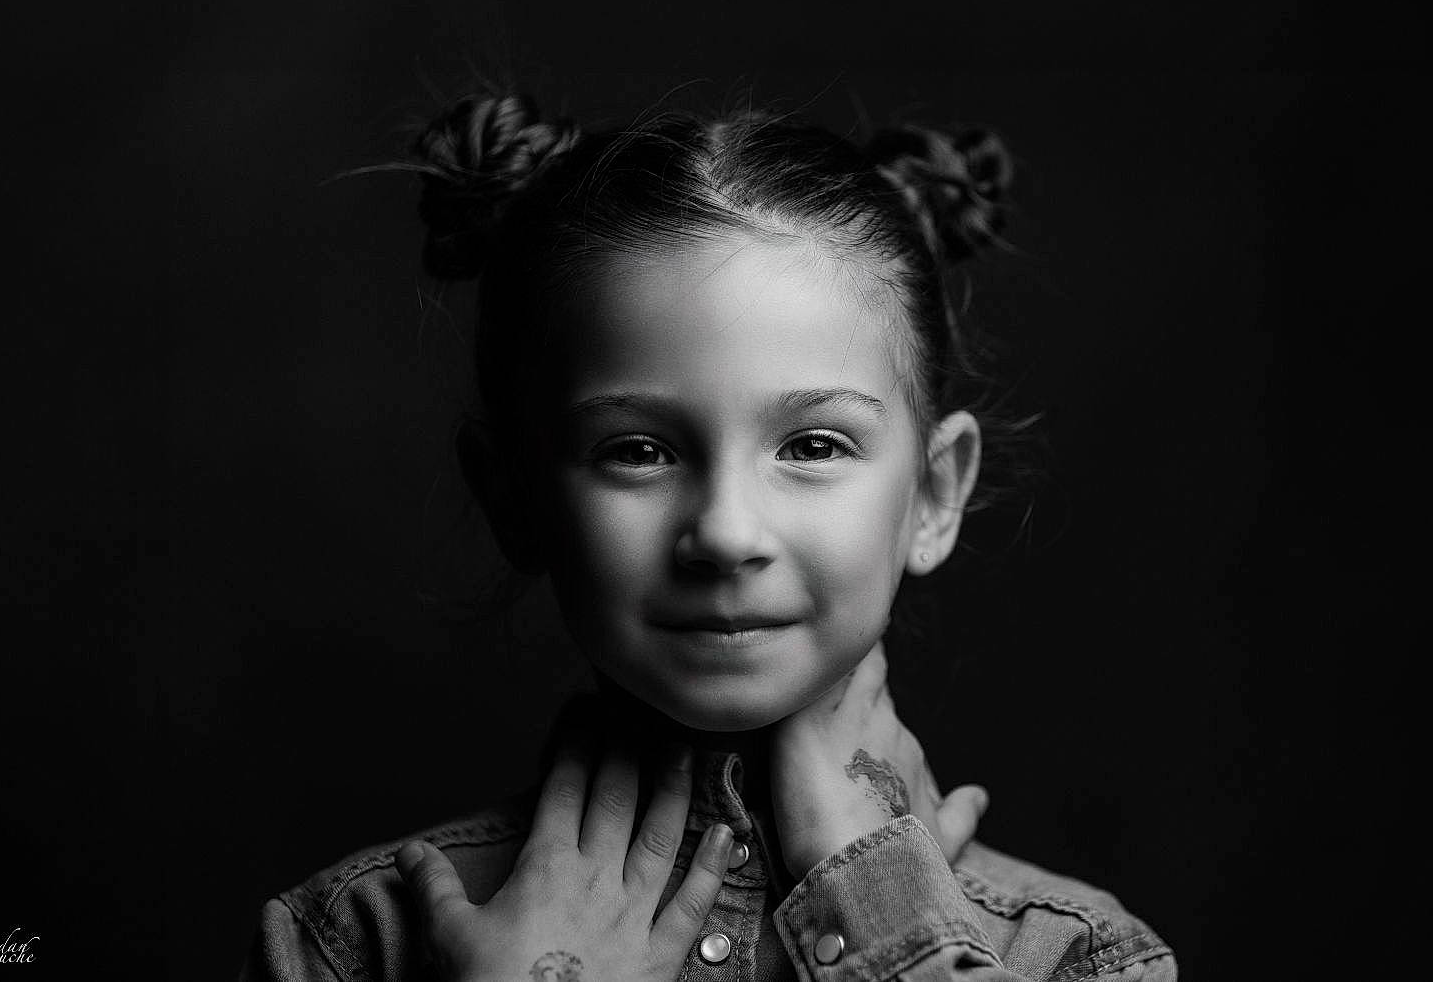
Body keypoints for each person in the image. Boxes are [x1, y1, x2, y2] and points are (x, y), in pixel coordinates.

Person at [241, 92, 1176, 981]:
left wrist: (887, 920)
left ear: (932, 493)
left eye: (812, 445)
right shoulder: (351, 943)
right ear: (513, 498)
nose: (726, 534)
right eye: (639, 451)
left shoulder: (1082, 960)